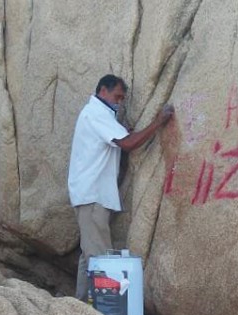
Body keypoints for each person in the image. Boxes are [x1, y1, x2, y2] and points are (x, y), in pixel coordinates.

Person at [68, 74, 174, 301]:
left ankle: (78, 305)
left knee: (89, 255)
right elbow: (127, 144)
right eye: (117, 97)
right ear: (103, 91)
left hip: (90, 194)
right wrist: (158, 122)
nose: (119, 103)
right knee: (99, 257)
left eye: (122, 99)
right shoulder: (96, 114)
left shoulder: (100, 115)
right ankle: (102, 311)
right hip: (92, 195)